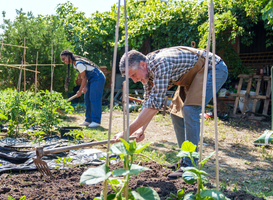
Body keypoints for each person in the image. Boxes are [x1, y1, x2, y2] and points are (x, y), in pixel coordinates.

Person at [113, 46, 228, 179]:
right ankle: (185, 158)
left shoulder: (161, 63)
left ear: (143, 64)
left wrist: (127, 132)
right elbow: (149, 103)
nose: (134, 80)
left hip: (213, 69)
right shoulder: (147, 73)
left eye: (133, 75)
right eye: (130, 77)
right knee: (175, 112)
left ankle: (189, 165)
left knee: (190, 110)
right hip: (194, 77)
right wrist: (140, 130)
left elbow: (154, 105)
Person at [60, 50, 106, 128]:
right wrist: (84, 87)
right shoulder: (74, 64)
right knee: (87, 99)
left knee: (94, 99)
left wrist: (80, 90)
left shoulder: (78, 63)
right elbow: (85, 77)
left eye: (64, 59)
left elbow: (84, 78)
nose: (63, 61)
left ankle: (96, 121)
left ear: (68, 56)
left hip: (98, 78)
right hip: (90, 79)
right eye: (62, 60)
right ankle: (88, 120)